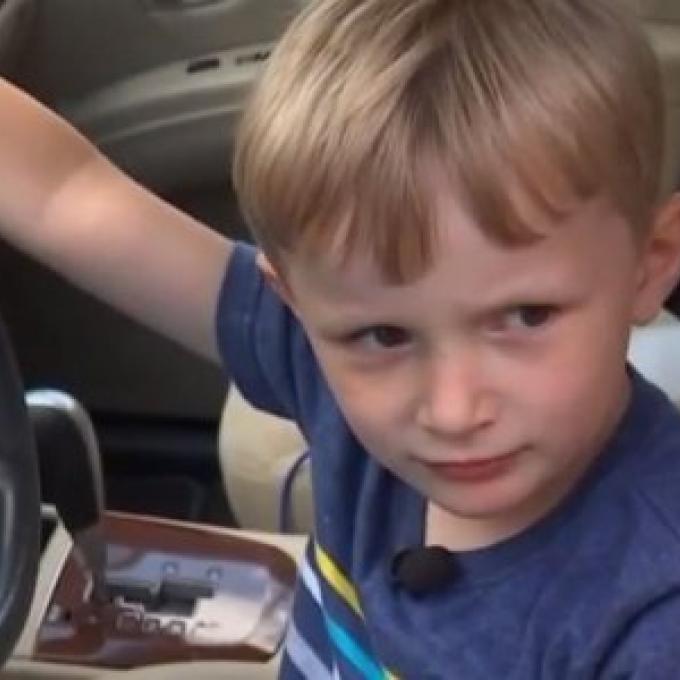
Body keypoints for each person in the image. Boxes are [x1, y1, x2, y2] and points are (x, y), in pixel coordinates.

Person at [2, 0, 680, 676]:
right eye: (384, 335)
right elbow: (66, 196)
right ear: (295, 304)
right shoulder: (322, 358)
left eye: (527, 316)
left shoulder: (652, 620)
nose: (452, 411)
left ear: (651, 263)